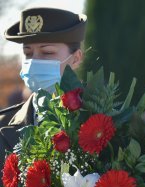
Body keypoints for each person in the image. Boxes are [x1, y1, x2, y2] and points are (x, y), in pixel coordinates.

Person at [0, 7, 86, 174]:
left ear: (76, 58)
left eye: (47, 52)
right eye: (28, 53)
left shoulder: (107, 120)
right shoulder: (3, 124)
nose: (34, 61)